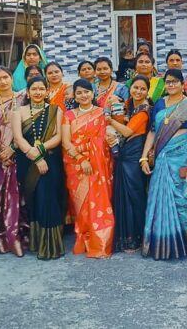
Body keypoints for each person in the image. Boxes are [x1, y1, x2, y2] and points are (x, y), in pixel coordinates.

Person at [140, 69, 187, 260]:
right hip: (162, 158)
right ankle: (161, 242)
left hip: (182, 158)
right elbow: (153, 131)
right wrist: (144, 157)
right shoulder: (160, 104)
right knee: (158, 197)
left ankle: (186, 241)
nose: (171, 85)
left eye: (175, 81)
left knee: (183, 199)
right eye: (168, 82)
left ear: (183, 84)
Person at [12, 77, 67, 260]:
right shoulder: (19, 111)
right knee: (34, 199)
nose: (37, 92)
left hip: (50, 160)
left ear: (46, 91)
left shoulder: (55, 110)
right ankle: (37, 242)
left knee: (48, 198)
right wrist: (35, 157)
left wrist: (41, 149)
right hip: (27, 161)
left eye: (41, 89)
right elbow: (18, 139)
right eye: (34, 89)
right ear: (28, 92)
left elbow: (58, 137)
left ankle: (51, 246)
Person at [62, 79, 115, 258]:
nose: (83, 95)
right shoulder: (68, 115)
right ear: (75, 96)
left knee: (99, 202)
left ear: (93, 94)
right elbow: (66, 142)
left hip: (98, 165)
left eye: (86, 92)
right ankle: (83, 237)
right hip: (75, 165)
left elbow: (106, 139)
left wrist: (91, 155)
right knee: (80, 203)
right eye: (79, 93)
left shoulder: (102, 113)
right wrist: (81, 158)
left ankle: (99, 241)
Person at [0, 66, 27, 256]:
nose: (2, 81)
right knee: (3, 194)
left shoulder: (23, 97)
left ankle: (21, 235)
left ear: (11, 78)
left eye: (5, 77)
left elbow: (27, 125)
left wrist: (13, 149)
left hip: (20, 151)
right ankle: (4, 237)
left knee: (20, 193)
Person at [109, 76, 151, 252]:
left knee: (135, 196)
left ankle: (138, 238)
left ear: (147, 91)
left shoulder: (144, 110)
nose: (138, 91)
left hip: (134, 155)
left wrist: (109, 120)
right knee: (124, 196)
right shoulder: (129, 105)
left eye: (142, 88)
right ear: (130, 88)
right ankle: (127, 239)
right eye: (135, 87)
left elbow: (126, 131)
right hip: (125, 154)